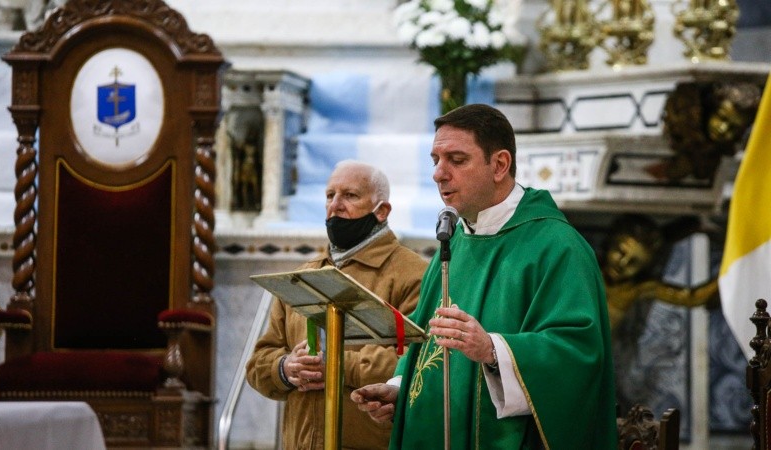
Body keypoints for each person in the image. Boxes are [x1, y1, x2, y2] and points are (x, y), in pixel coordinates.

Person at [351, 104, 617, 448]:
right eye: (436, 160)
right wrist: (399, 389)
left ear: (500, 165)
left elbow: (579, 355)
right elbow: (426, 335)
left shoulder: (558, 248)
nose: (439, 174)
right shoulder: (456, 241)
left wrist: (492, 349)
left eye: (456, 160)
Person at [245, 160, 428, 450]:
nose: (335, 205)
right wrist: (287, 368)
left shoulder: (413, 274)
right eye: (330, 196)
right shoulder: (302, 278)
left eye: (350, 195)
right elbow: (257, 363)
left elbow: (417, 363)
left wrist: (336, 365)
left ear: (382, 211)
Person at [601, 213, 719, 331]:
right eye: (620, 252)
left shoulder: (638, 288)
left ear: (644, 268)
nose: (622, 264)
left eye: (634, 262)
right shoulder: (588, 268)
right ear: (610, 244)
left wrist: (728, 274)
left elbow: (691, 297)